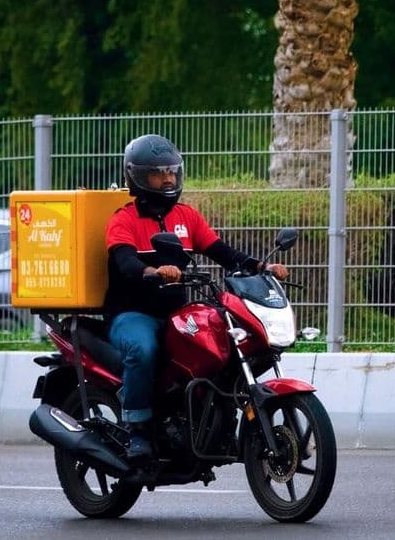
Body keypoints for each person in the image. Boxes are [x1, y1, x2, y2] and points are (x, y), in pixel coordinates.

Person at [104, 134, 288, 461]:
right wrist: (155, 271)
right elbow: (126, 263)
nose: (169, 178)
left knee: (220, 345)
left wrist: (262, 266)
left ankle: (215, 423)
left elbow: (222, 252)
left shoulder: (187, 217)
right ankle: (139, 431)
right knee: (144, 349)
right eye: (159, 173)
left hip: (177, 311)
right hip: (132, 313)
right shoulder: (124, 219)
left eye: (172, 171)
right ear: (138, 177)